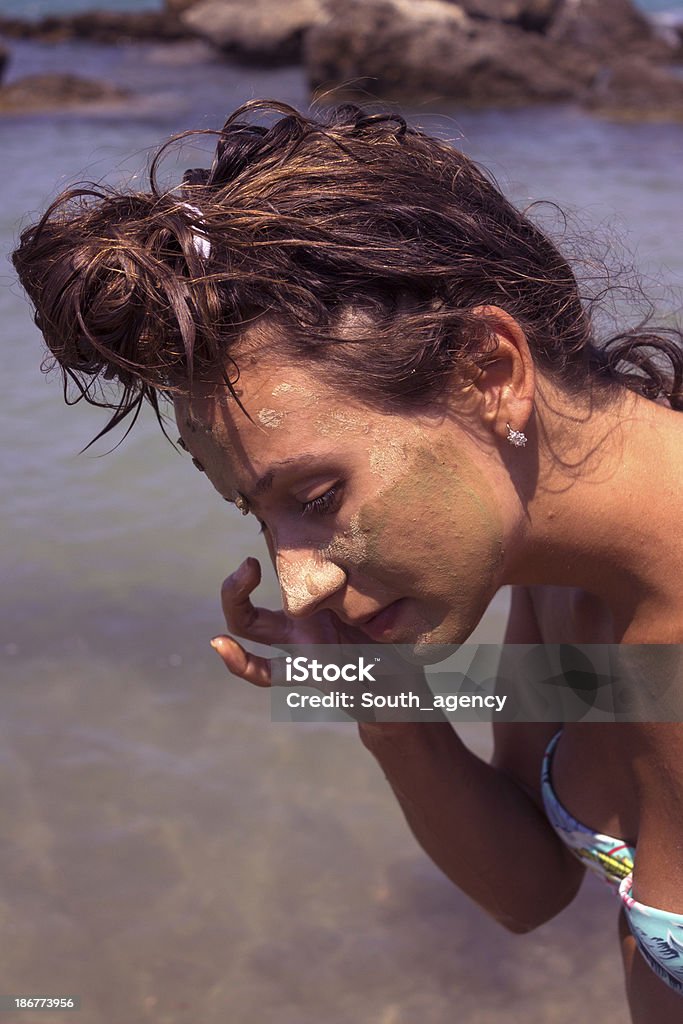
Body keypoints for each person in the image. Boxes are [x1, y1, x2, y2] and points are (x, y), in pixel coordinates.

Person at [12, 99, 683, 1021]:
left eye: (318, 500)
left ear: (490, 370)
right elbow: (531, 892)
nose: (297, 582)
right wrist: (385, 705)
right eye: (259, 516)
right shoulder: (559, 568)